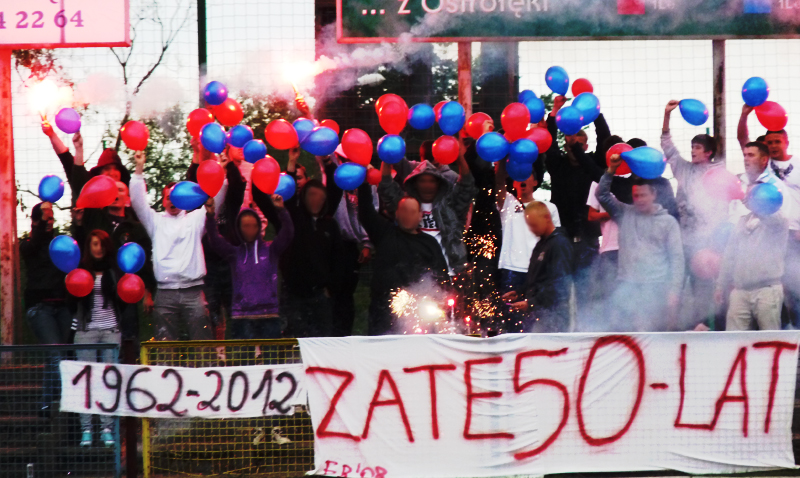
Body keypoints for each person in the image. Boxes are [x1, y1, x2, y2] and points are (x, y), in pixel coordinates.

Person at [130, 151, 219, 341]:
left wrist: (221, 170)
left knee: (203, 342)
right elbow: (138, 203)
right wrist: (139, 169)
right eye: (168, 197)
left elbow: (216, 202)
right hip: (165, 291)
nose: (172, 201)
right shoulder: (155, 221)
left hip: (193, 291)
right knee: (164, 344)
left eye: (175, 197)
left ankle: (203, 363)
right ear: (163, 201)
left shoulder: (195, 219)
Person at [597, 155, 685, 332]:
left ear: (654, 195)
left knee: (651, 334)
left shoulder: (668, 222)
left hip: (656, 287)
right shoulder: (624, 213)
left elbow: (677, 258)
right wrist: (611, 170)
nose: (639, 199)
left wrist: (674, 291)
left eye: (643, 195)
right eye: (636, 196)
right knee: (625, 333)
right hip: (627, 285)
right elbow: (602, 195)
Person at [663, 100, 729, 327]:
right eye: (692, 147)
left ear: (709, 152)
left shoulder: (718, 173)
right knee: (676, 289)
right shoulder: (684, 170)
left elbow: (724, 208)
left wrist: (714, 243)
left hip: (707, 242)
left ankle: (706, 328)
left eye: (698, 148)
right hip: (684, 241)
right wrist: (667, 115)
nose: (693, 151)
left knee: (704, 290)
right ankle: (674, 330)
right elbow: (668, 147)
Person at [254, 173, 342, 338]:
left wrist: (331, 288)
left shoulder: (330, 225)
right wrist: (258, 173)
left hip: (320, 295)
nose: (316, 200)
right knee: (294, 340)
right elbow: (263, 199)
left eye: (321, 197)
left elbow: (337, 259)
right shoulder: (291, 219)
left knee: (322, 340)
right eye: (312, 195)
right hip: (293, 294)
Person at [356, 181, 449, 335]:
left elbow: (442, 277)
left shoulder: (429, 243)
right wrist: (363, 182)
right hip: (383, 312)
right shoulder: (384, 233)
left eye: (412, 212)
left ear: (420, 216)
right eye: (404, 211)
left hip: (420, 315)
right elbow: (365, 212)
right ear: (397, 214)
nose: (408, 215)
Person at [547, 96, 611, 317]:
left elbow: (604, 138)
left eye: (578, 144)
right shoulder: (558, 166)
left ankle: (587, 331)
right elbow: (549, 146)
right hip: (562, 239)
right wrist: (554, 113)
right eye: (569, 143)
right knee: (560, 295)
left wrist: (595, 113)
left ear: (586, 146)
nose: (573, 147)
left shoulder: (592, 165)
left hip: (588, 240)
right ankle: (560, 332)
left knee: (587, 294)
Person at [737, 106, 800, 328]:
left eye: (777, 141)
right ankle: (781, 330)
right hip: (771, 233)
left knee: (796, 288)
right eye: (769, 142)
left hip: (795, 235)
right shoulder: (765, 167)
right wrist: (744, 115)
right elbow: (744, 141)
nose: (773, 146)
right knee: (775, 287)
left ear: (786, 142)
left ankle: (796, 336)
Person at [716, 144, 788, 332]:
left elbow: (772, 216)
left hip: (767, 289)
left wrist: (759, 202)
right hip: (740, 290)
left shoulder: (778, 221)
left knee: (769, 338)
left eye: (752, 194)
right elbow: (729, 255)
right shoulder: (742, 221)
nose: (746, 197)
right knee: (733, 338)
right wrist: (721, 284)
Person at [204, 195, 294, 339]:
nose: (250, 229)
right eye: (246, 226)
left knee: (272, 354)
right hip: (241, 316)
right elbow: (214, 241)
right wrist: (210, 216)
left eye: (253, 225)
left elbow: (288, 233)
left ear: (259, 226)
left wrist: (282, 210)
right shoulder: (235, 254)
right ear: (239, 228)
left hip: (269, 314)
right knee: (242, 354)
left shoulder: (271, 250)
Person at [379, 145, 477, 276]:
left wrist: (459, 158)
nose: (427, 185)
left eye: (432, 181)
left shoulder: (450, 205)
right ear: (415, 183)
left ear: (439, 183)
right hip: (414, 275)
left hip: (451, 273)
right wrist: (386, 156)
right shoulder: (406, 205)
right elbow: (386, 188)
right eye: (422, 181)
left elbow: (466, 186)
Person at [73, 230, 128, 448]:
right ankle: (86, 429)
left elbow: (124, 300)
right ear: (89, 246)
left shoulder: (114, 270)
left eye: (102, 244)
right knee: (85, 380)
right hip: (86, 330)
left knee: (109, 381)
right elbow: (71, 302)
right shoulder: (79, 269)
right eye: (94, 244)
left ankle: (107, 429)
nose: (98, 248)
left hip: (110, 330)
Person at [187, 143, 245, 342]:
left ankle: (238, 349)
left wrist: (229, 165)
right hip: (207, 261)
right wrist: (196, 155)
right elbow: (191, 183)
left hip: (229, 260)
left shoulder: (231, 197)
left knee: (234, 309)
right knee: (210, 312)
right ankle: (214, 351)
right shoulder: (200, 199)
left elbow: (238, 186)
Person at [495, 160, 561, 332]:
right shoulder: (508, 203)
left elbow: (555, 240)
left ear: (535, 182)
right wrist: (501, 160)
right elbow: (499, 183)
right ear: (514, 182)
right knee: (512, 323)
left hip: (538, 270)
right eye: (519, 175)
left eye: (527, 174)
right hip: (512, 270)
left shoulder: (549, 207)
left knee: (537, 320)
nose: (523, 178)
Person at [20, 202, 70, 416]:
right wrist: (40, 225)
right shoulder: (27, 245)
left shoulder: (59, 244)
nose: (50, 222)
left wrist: (78, 224)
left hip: (62, 306)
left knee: (58, 355)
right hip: (40, 308)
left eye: (52, 218)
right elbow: (34, 245)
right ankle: (63, 401)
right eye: (45, 218)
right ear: (35, 221)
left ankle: (47, 404)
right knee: (55, 353)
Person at [323, 149, 376, 337]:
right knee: (329, 293)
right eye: (343, 158)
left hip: (351, 245)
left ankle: (345, 336)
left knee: (346, 295)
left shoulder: (367, 178)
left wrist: (367, 243)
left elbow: (372, 210)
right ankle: (329, 336)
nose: (347, 162)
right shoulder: (333, 175)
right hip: (330, 243)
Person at [502, 202, 573, 333]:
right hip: (539, 314)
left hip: (553, 316)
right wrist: (520, 292)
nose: (532, 230)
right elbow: (537, 279)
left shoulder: (559, 244)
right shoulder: (541, 245)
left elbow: (560, 284)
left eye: (534, 225)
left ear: (547, 218)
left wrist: (532, 303)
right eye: (529, 226)